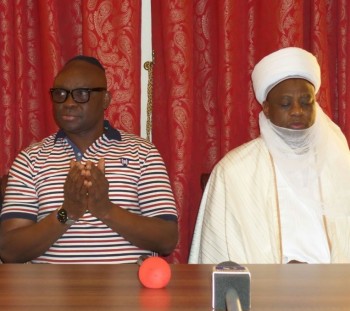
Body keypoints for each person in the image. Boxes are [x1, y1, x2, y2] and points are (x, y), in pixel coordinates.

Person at [0, 55, 178, 264]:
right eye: (60, 93)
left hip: (128, 293)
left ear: (105, 100)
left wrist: (106, 210)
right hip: (50, 294)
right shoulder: (31, 159)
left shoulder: (142, 153)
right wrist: (66, 213)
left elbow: (167, 239)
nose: (68, 103)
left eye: (81, 94)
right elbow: (9, 249)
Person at [189, 47, 350, 264]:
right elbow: (222, 252)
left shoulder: (338, 164)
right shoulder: (234, 171)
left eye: (306, 102)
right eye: (285, 103)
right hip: (263, 291)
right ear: (266, 108)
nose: (296, 111)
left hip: (335, 290)